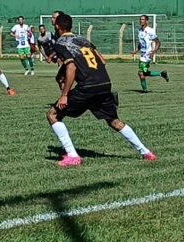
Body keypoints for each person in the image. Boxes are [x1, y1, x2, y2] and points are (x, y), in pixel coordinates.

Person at [47, 13, 156, 167]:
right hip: (104, 82)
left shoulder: (60, 43)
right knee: (114, 122)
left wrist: (64, 95)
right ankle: (145, 152)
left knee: (52, 115)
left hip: (87, 86)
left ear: (57, 26)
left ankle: (72, 155)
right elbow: (102, 61)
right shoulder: (83, 40)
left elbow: (71, 66)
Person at [131, 14, 168, 92]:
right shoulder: (139, 30)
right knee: (144, 73)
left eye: (143, 19)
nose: (141, 21)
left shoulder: (150, 31)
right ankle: (161, 74)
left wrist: (153, 52)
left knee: (141, 73)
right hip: (142, 54)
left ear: (146, 21)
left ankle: (145, 90)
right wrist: (136, 50)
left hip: (147, 54)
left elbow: (158, 42)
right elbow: (141, 43)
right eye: (140, 19)